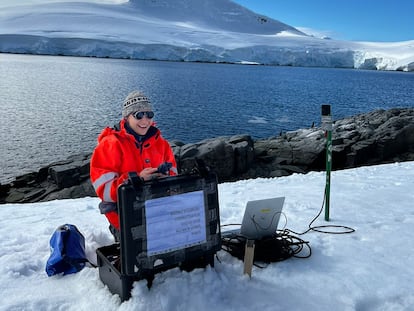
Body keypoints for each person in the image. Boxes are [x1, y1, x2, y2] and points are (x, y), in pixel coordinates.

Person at [90, 90, 177, 241]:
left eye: (149, 115)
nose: (145, 120)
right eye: (138, 115)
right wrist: (136, 179)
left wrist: (165, 177)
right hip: (124, 216)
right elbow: (103, 189)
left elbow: (175, 174)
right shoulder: (110, 144)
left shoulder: (162, 144)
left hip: (158, 213)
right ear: (127, 117)